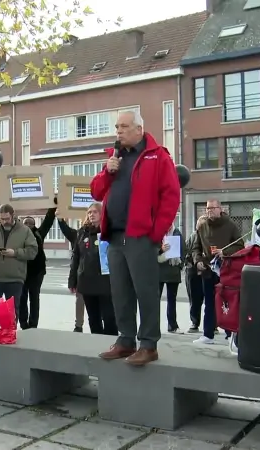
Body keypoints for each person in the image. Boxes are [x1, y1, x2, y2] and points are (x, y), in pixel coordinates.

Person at [89, 110, 180, 366]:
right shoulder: (114, 157)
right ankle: (125, 340)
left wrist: (155, 232)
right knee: (120, 293)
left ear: (139, 129)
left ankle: (149, 344)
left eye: (124, 126)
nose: (118, 131)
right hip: (115, 237)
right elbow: (96, 191)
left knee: (146, 292)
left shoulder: (158, 156)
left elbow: (171, 197)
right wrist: (107, 171)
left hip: (140, 236)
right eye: (117, 127)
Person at [190, 199, 243, 345]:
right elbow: (196, 247)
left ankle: (230, 333)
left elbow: (240, 245)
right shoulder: (202, 226)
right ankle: (208, 334)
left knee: (226, 302)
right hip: (207, 269)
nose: (209, 211)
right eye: (207, 208)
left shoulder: (230, 225)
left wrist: (224, 252)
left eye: (212, 208)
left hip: (225, 269)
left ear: (220, 209)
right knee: (209, 302)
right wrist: (198, 260)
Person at [68, 202, 117, 335]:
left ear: (102, 214)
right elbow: (76, 257)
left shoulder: (110, 231)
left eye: (95, 212)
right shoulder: (82, 233)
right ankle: (97, 341)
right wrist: (72, 280)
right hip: (87, 281)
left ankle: (111, 341)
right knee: (93, 318)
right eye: (89, 212)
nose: (91, 215)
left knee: (109, 316)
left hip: (106, 281)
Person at [0, 204, 38, 315]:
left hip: (15, 279)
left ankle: (9, 332)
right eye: (2, 219)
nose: (4, 221)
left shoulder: (24, 231)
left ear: (13, 216)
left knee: (11, 312)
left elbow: (32, 251)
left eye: (7, 218)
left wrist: (15, 253)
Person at [19, 208, 56, 330]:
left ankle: (33, 324)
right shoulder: (17, 235)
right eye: (26, 223)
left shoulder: (39, 233)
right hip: (22, 272)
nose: (28, 225)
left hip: (37, 273)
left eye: (31, 223)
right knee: (22, 298)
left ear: (34, 225)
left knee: (34, 298)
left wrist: (53, 206)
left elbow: (48, 220)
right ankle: (23, 323)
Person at [57, 215, 86, 332]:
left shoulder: (104, 233)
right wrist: (60, 219)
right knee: (80, 302)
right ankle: (78, 325)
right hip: (82, 276)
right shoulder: (78, 235)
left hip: (101, 278)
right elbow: (75, 262)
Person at [158, 224, 184, 334]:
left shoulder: (177, 232)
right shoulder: (157, 233)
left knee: (171, 300)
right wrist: (161, 249)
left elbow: (183, 249)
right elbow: (150, 248)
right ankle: (153, 326)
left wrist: (180, 264)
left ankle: (172, 325)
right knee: (155, 300)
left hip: (173, 271)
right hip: (158, 270)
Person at [184, 216, 206, 333]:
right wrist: (189, 263)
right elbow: (185, 251)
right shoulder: (192, 237)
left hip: (207, 271)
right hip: (193, 271)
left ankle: (212, 324)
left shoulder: (209, 237)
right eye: (200, 226)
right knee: (194, 299)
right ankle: (194, 322)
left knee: (210, 299)